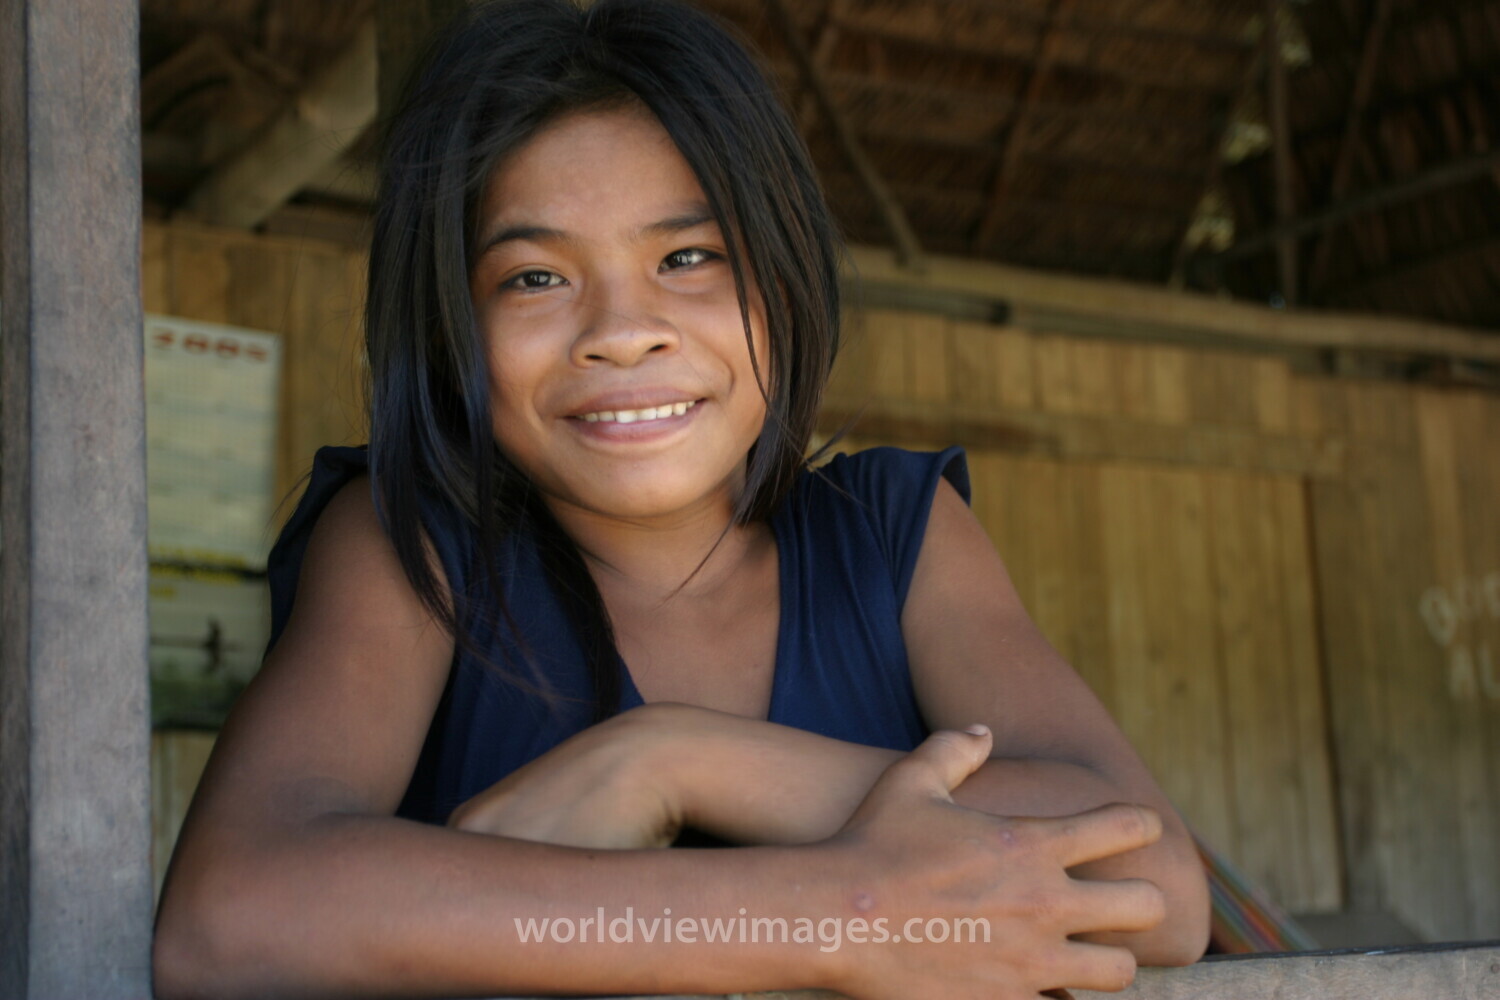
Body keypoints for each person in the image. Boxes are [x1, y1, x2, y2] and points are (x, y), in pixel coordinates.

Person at [151, 0, 1210, 996]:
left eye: (689, 256)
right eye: (533, 277)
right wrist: (841, 915)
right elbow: (230, 920)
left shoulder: (895, 535)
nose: (621, 328)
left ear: (786, 285)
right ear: (451, 328)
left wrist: (671, 759)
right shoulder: (420, 550)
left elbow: (1157, 884)